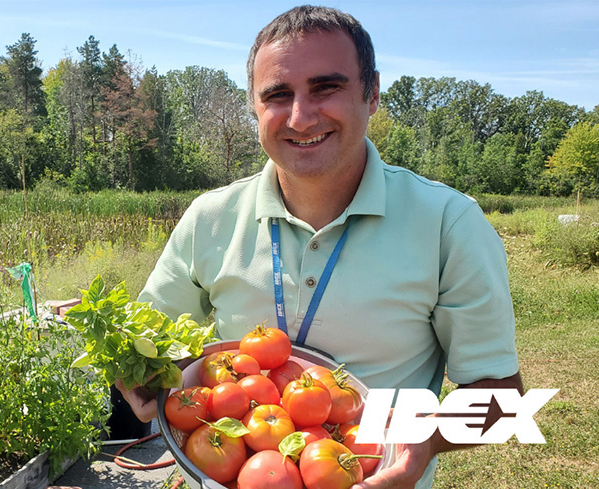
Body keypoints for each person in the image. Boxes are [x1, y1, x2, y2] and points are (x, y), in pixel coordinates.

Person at [119, 5, 522, 488]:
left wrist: (423, 439)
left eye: (326, 87)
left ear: (371, 93)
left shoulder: (448, 223)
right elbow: (154, 340)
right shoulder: (209, 218)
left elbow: (501, 402)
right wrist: (135, 369)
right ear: (254, 105)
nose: (301, 117)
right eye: (277, 94)